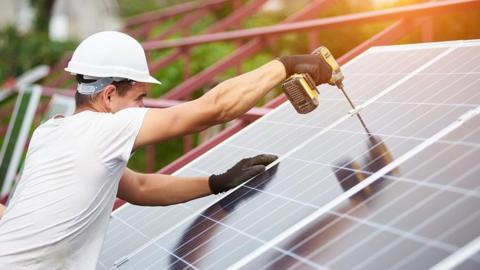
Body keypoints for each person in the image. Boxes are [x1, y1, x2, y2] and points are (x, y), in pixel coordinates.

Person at [0, 31, 332, 269]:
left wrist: (216, 182)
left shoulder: (52, 132)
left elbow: (139, 187)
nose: (143, 108)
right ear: (109, 96)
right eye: (140, 99)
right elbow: (213, 109)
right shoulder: (105, 130)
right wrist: (287, 65)